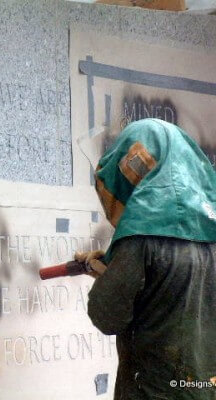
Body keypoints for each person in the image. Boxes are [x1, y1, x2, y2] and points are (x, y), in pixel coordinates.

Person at [75, 118, 216, 399]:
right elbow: (174, 292)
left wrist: (114, 275)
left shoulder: (141, 237)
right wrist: (114, 269)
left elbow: (107, 316)